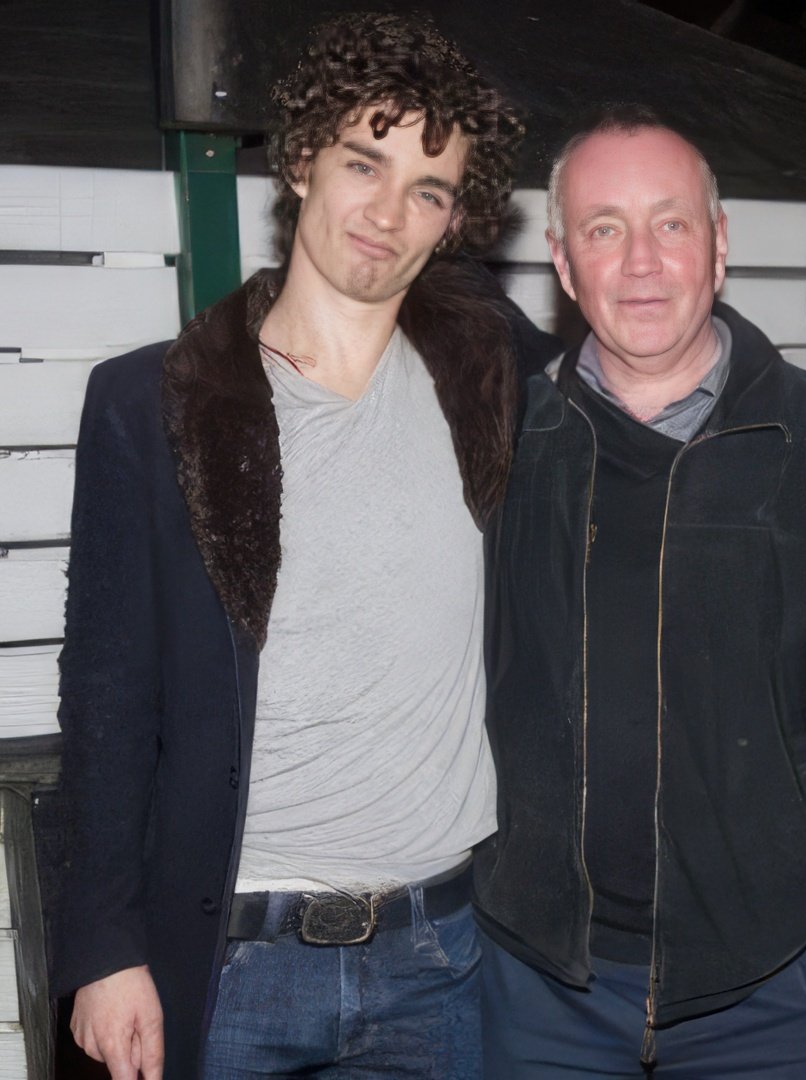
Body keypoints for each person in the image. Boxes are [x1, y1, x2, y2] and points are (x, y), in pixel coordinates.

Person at [53, 13, 531, 1078]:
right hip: (230, 966)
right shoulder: (154, 402)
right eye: (366, 162)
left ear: (456, 221)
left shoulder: (489, 375)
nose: (387, 211)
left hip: (445, 959)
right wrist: (101, 947)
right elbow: (105, 693)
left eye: (428, 188)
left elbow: (650, 357)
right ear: (306, 158)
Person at [473, 108, 806, 1080]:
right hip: (543, 1000)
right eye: (605, 229)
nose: (642, 261)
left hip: (774, 1000)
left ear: (721, 244)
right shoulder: (507, 441)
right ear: (565, 267)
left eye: (671, 223)